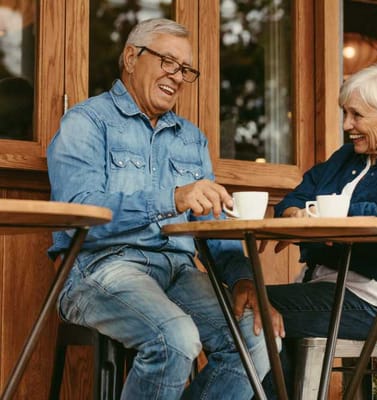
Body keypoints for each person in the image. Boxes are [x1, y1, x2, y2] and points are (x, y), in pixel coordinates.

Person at [46, 18, 283, 400]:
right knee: (175, 338)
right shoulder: (87, 122)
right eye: (167, 61)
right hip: (100, 266)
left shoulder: (192, 139)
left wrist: (243, 280)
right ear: (130, 57)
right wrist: (171, 198)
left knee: (259, 338)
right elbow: (78, 214)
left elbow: (215, 235)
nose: (177, 75)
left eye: (186, 69)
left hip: (177, 272)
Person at [264, 60, 377, 393]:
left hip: (375, 300)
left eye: (357, 115)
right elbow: (294, 199)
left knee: (250, 309)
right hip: (321, 288)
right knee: (250, 310)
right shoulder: (344, 158)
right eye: (346, 114)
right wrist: (293, 214)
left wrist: (325, 214)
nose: (347, 125)